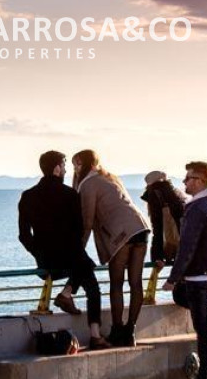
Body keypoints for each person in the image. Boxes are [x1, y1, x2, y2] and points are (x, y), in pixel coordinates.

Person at [18, 150, 107, 349]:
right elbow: (78, 231)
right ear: (57, 168)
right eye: (64, 165)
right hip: (70, 258)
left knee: (85, 268)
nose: (66, 169)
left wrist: (39, 252)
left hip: (46, 263)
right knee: (92, 284)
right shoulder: (70, 195)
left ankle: (67, 295)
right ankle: (94, 334)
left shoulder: (28, 196)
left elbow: (24, 236)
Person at [72, 148, 153, 347]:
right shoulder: (110, 178)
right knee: (136, 283)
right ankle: (130, 331)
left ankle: (118, 330)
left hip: (121, 234)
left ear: (86, 164)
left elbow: (87, 221)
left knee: (116, 283)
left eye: (77, 164)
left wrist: (78, 249)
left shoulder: (88, 184)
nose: (74, 168)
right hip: (140, 228)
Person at [167, 160, 207, 379]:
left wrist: (174, 277)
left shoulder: (197, 208)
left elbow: (187, 247)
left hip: (199, 277)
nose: (184, 182)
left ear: (201, 180)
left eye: (189, 178)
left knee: (203, 330)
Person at [141, 170, 187, 272]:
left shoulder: (155, 196)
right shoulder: (178, 197)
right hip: (184, 250)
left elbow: (157, 230)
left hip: (174, 248)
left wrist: (157, 257)